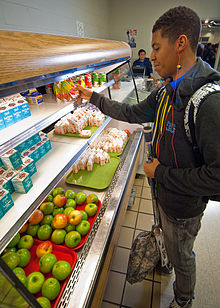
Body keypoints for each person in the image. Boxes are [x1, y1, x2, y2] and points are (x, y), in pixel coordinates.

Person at [75, 6, 220, 308]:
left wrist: (160, 173)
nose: (151, 56)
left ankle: (183, 299)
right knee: (170, 243)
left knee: (183, 255)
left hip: (184, 206)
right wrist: (92, 97)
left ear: (180, 44)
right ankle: (166, 260)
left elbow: (216, 177)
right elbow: (130, 112)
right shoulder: (167, 90)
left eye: (156, 47)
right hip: (163, 194)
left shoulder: (208, 102)